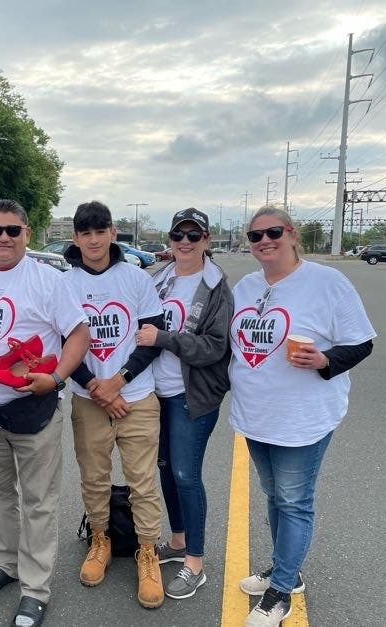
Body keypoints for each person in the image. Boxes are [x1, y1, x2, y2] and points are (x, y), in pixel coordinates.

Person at [0, 199, 89, 627]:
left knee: (39, 502)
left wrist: (58, 378)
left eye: (12, 230)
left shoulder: (48, 280)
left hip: (34, 410)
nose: (3, 238)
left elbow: (78, 333)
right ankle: (6, 564)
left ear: (27, 233)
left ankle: (35, 588)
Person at [228, 206, 375, 627]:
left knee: (294, 501)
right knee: (275, 496)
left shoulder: (327, 281)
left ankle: (283, 589)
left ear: (292, 234)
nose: (264, 241)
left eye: (273, 232)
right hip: (256, 415)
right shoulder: (246, 286)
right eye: (255, 236)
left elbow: (362, 343)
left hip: (303, 417)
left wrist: (325, 358)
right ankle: (284, 566)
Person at [61, 201, 166, 609]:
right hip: (89, 400)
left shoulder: (136, 279)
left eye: (99, 231)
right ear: (76, 237)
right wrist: (95, 386)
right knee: (94, 478)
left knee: (142, 481)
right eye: (84, 232)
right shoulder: (64, 283)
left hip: (136, 396)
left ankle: (147, 551)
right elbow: (61, 344)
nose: (92, 239)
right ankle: (99, 539)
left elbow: (153, 335)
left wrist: (118, 382)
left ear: (112, 232)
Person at [135, 207, 233, 600]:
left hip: (190, 395)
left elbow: (214, 347)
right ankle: (177, 540)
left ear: (207, 241)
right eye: (179, 236)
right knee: (165, 469)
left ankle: (195, 560)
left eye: (195, 236)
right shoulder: (158, 278)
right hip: (153, 392)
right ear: (170, 240)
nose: (186, 243)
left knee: (186, 473)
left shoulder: (216, 288)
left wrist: (164, 339)